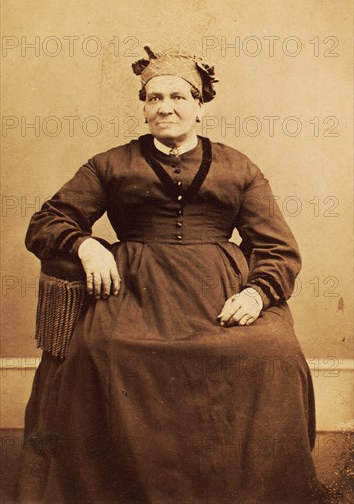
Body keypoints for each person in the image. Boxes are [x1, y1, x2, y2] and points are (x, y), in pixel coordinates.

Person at [17, 46, 323, 503]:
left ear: (199, 107)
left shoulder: (239, 167)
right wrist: (85, 245)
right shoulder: (109, 164)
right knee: (101, 348)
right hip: (134, 292)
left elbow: (277, 246)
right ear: (143, 108)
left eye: (178, 97)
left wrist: (258, 293)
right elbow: (46, 222)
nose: (166, 107)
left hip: (220, 291)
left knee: (272, 349)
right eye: (154, 97)